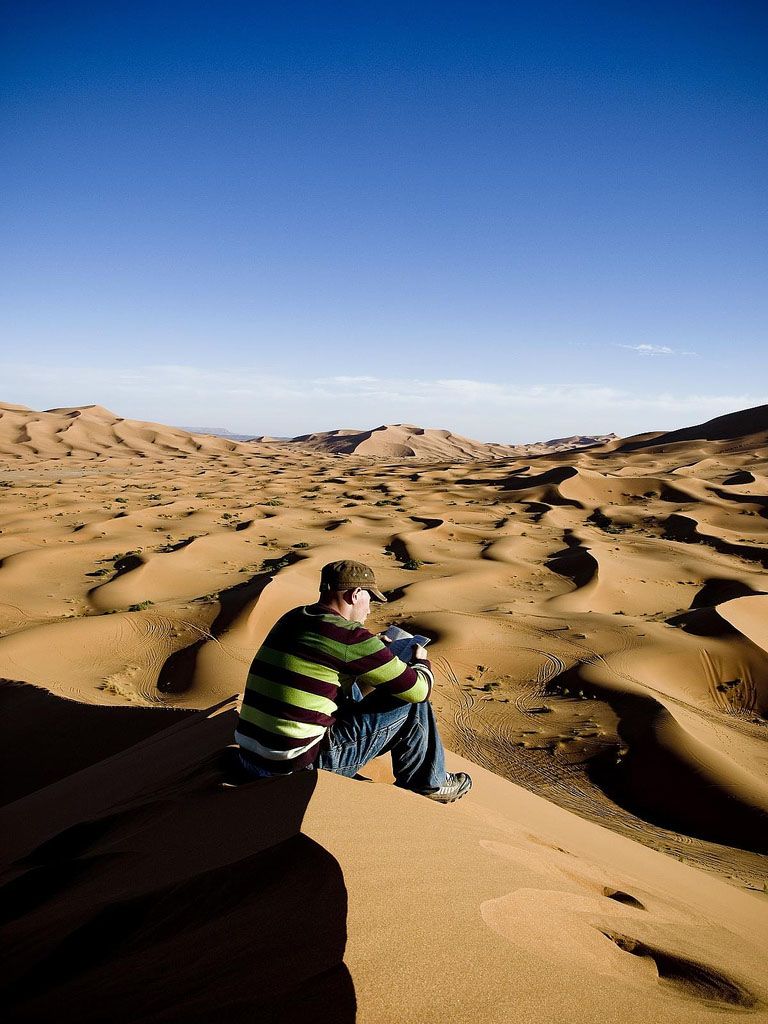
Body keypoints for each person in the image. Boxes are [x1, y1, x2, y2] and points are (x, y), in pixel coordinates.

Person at [235, 559, 471, 803]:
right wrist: (420, 662)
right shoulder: (349, 636)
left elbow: (324, 663)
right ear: (355, 594)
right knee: (409, 701)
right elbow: (418, 691)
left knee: (349, 690)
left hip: (252, 760)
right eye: (370, 600)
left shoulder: (294, 617)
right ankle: (429, 783)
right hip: (300, 768)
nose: (369, 610)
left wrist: (370, 651)